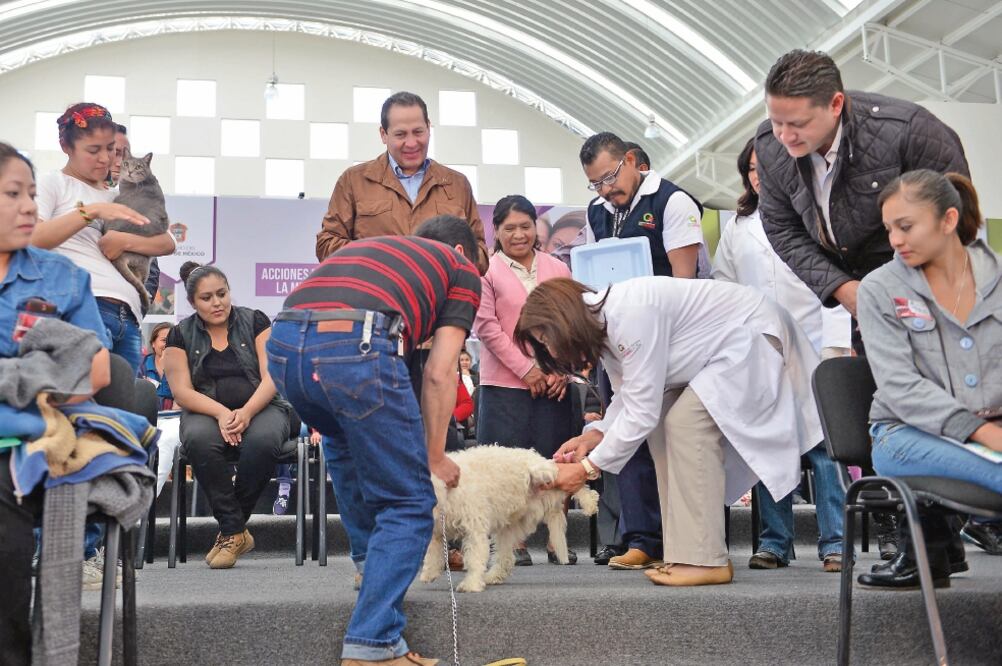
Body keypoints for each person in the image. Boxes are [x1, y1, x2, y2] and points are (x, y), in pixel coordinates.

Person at [755, 48, 973, 558]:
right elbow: (782, 229)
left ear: (835, 104)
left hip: (927, 293)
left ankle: (941, 534)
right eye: (776, 121)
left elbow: (954, 220)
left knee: (935, 410)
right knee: (885, 413)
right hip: (858, 297)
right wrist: (843, 289)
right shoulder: (771, 145)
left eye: (797, 124)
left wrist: (896, 289)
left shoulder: (908, 131)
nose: (784, 135)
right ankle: (920, 545)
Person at [267, 215, 482, 666]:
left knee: (343, 445)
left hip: (284, 345)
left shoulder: (383, 254)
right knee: (409, 501)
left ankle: (371, 569)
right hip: (355, 341)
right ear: (464, 251)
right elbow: (441, 372)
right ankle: (374, 644)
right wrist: (435, 456)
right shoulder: (461, 268)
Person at [517, 276, 824, 587]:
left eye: (546, 339)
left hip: (752, 335)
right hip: (721, 349)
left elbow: (641, 411)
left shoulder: (630, 314)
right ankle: (684, 553)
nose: (550, 351)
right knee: (663, 429)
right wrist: (594, 435)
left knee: (686, 422)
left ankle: (706, 559)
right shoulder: (606, 326)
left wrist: (585, 469)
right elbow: (630, 397)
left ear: (563, 319)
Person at [856, 170, 1002, 588]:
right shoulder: (879, 289)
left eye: (905, 227)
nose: (895, 240)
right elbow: (900, 387)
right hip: (904, 434)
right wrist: (983, 433)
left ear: (948, 220)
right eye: (889, 229)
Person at [713, 138, 850, 572]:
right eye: (751, 169)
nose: (758, 176)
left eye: (765, 166)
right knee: (769, 445)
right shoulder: (737, 226)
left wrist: (836, 343)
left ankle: (836, 541)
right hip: (760, 350)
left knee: (824, 447)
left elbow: (836, 281)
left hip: (814, 343)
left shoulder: (814, 214)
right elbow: (723, 285)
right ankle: (775, 541)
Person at [0, 143, 112, 665]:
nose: (30, 206)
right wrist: (38, 369)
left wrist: (19, 383)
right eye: (13, 194)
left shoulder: (62, 277)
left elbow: (95, 370)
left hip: (27, 445)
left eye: (31, 193)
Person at [581, 132, 713, 570]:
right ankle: (640, 536)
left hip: (676, 340)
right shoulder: (597, 211)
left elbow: (685, 282)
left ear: (633, 160)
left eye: (609, 178)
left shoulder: (673, 202)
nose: (605, 191)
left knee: (678, 434)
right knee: (626, 428)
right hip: (618, 338)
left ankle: (684, 538)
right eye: (595, 183)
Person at [163, 262, 296, 569]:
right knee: (198, 440)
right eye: (206, 298)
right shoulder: (179, 334)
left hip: (262, 406)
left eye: (221, 294)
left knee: (262, 441)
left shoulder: (255, 320)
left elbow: (272, 377)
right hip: (206, 410)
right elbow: (182, 392)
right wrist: (223, 413)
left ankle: (230, 531)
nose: (217, 302)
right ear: (192, 303)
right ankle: (236, 531)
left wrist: (246, 413)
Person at [32, 103, 174, 373]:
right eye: (93, 150)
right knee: (81, 394)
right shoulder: (52, 183)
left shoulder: (120, 196)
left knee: (122, 399)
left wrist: (123, 241)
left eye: (111, 149)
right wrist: (92, 212)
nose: (105, 159)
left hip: (128, 316)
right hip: (82, 307)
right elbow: (32, 238)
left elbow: (167, 242)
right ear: (66, 147)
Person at [473, 195, 575, 566]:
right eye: (510, 228)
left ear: (536, 228)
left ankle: (556, 540)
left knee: (554, 461)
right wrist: (526, 369)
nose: (519, 234)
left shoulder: (557, 267)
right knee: (506, 470)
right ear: (496, 231)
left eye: (525, 226)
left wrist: (560, 369)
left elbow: (570, 321)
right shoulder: (487, 271)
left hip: (554, 383)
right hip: (504, 385)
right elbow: (487, 327)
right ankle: (511, 542)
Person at [315, 91, 488, 272]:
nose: (411, 143)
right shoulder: (354, 181)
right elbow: (326, 244)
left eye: (418, 132)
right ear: (383, 134)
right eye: (400, 134)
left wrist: (445, 261)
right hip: (378, 289)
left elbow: (481, 254)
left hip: (439, 290)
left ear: (429, 128)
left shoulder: (457, 184)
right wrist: (380, 257)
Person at [141, 322, 174, 409]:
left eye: (172, 341)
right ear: (153, 343)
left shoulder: (182, 367)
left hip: (174, 415)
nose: (168, 344)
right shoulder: (141, 366)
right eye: (164, 340)